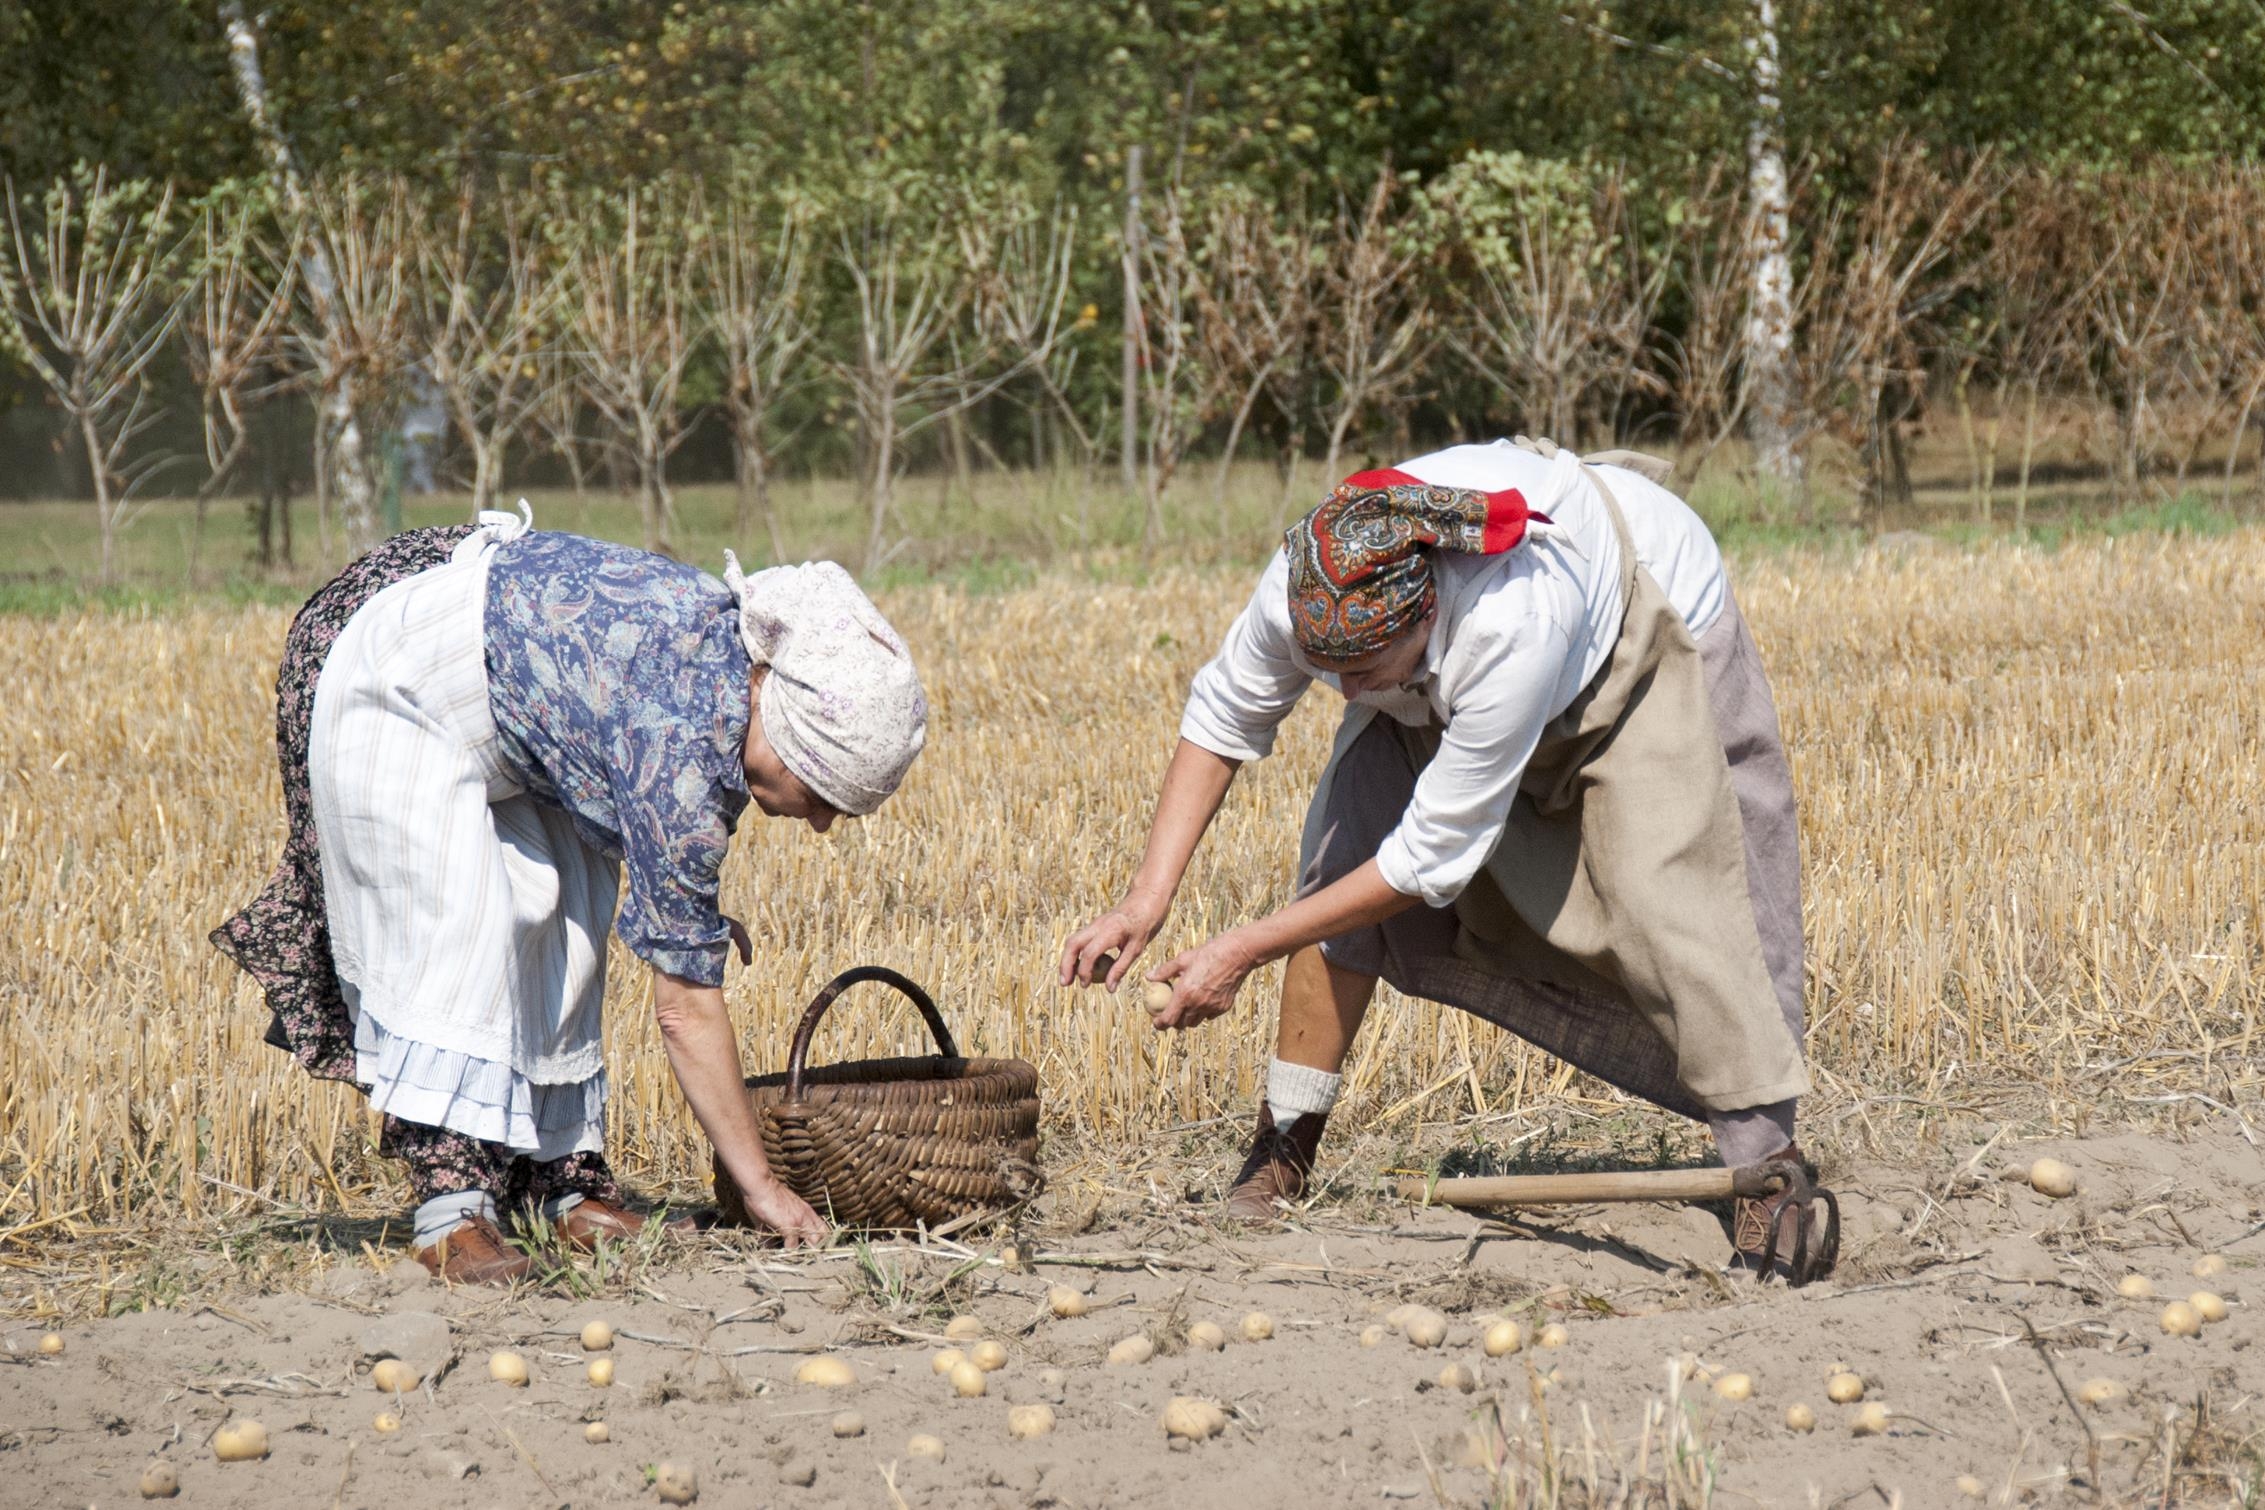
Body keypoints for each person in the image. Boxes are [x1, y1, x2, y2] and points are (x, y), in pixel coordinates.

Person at [1060, 438, 1819, 1270]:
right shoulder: (1307, 588)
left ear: (1425, 615)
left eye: (1364, 670)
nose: (1347, 694)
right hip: (1460, 666)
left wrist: (1241, 948)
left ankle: (1765, 1175)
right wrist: (1145, 900)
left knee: (1679, 903)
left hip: (1640, 624)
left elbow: (1430, 859)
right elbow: (1223, 718)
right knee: (1340, 840)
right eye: (1327, 669)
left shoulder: (1511, 620)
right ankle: (1284, 1146)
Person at [213, 506, 927, 1283]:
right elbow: (684, 1009)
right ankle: (450, 1215)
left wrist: (680, 906)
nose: (821, 825)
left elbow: (640, 790)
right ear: (785, 730)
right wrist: (761, 1188)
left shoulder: (721, 688)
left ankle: (563, 1191)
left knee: (568, 916)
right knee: (457, 935)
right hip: (397, 663)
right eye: (823, 794)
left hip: (504, 706)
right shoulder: (682, 748)